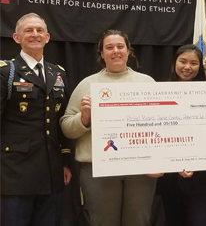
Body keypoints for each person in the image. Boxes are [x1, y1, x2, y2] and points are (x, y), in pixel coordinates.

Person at [60, 30, 161, 226]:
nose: (115, 51)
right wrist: (84, 118)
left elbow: (161, 124)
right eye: (109, 47)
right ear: (101, 54)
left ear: (128, 51)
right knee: (103, 222)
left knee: (138, 221)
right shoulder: (87, 84)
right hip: (98, 168)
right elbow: (66, 127)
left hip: (140, 168)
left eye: (120, 46)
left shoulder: (147, 83)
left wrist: (159, 160)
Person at [0, 13, 72, 226]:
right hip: (14, 172)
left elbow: (61, 120)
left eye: (40, 30)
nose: (35, 34)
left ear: (48, 37)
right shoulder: (6, 72)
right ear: (16, 37)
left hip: (51, 172)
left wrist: (65, 161)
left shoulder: (57, 73)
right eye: (28, 31)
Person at [156, 44, 206, 226]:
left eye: (194, 63)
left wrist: (195, 163)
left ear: (200, 66)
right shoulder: (158, 93)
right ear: (174, 63)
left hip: (201, 175)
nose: (187, 67)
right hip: (170, 177)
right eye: (183, 61)